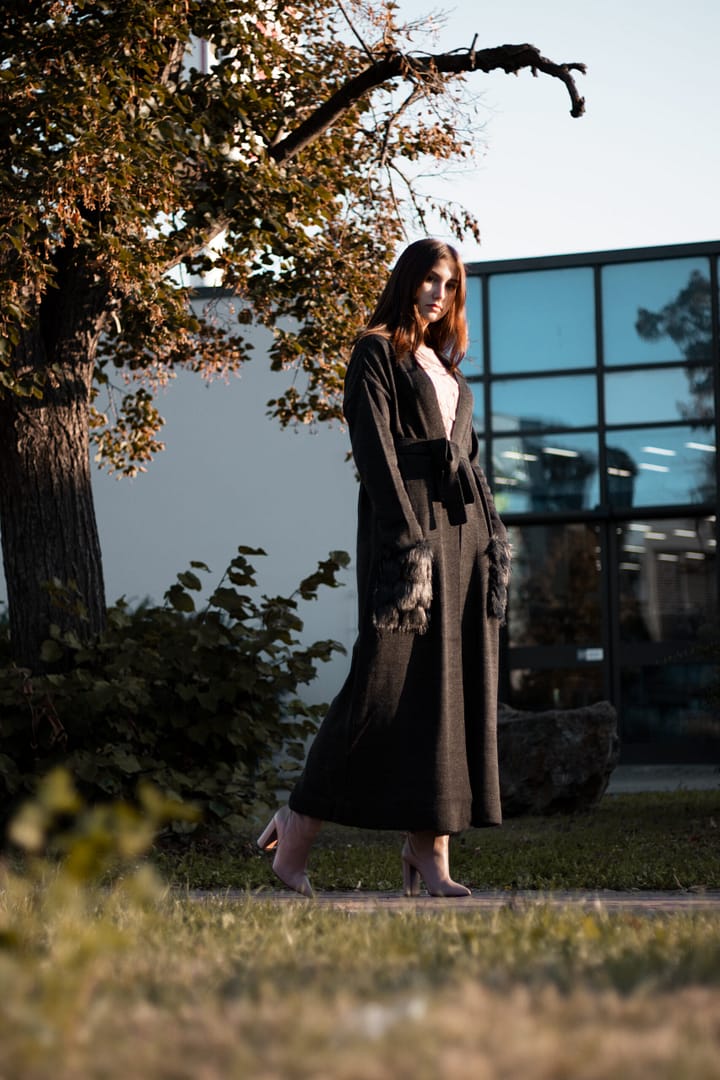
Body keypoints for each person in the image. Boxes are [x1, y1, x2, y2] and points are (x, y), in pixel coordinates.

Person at [257, 238, 511, 897]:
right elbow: (374, 450)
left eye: (449, 285)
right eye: (429, 279)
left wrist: (492, 538)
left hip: (463, 533)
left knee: (451, 688)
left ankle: (430, 850)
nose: (438, 294)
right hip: (409, 532)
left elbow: (472, 461)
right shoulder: (375, 350)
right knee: (379, 684)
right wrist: (405, 539)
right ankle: (295, 827)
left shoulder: (450, 371)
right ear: (406, 281)